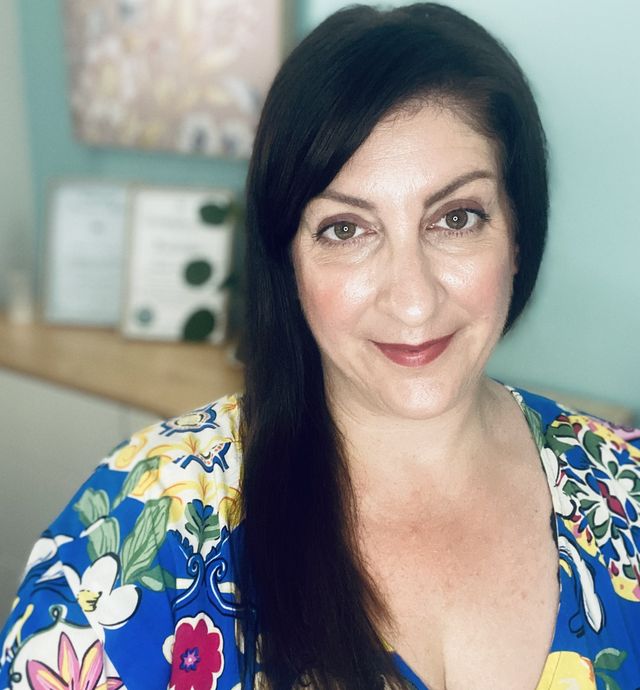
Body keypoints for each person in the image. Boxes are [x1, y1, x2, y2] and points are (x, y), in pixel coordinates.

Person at [1, 3, 639, 689]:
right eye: (345, 229)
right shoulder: (141, 526)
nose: (413, 300)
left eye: (456, 218)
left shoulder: (621, 489)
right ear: (290, 262)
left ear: (515, 237)